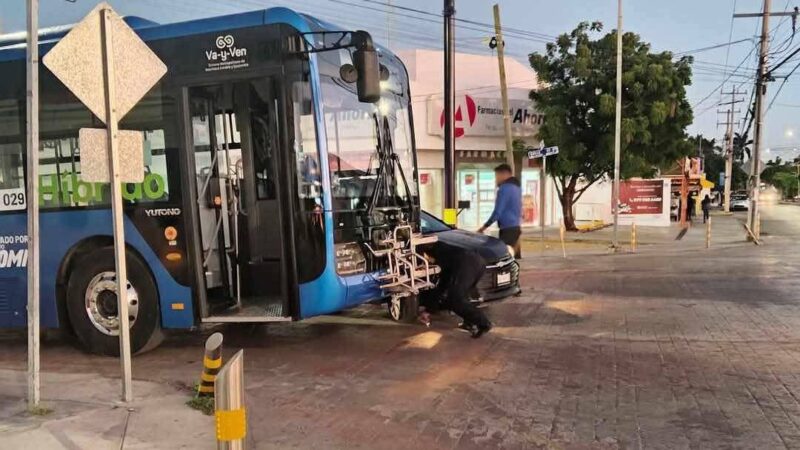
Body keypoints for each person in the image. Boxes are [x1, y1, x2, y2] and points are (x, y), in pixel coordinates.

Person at [421, 243, 493, 338]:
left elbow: (442, 284)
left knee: (455, 299)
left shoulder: (439, 255)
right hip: (478, 262)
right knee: (463, 296)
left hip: (466, 264)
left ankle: (483, 323)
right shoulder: (443, 248)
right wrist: (429, 310)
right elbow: (442, 285)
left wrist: (428, 310)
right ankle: (469, 323)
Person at [478, 164, 523, 258]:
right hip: (516, 228)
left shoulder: (504, 189)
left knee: (502, 258)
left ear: (504, 174)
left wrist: (484, 227)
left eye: (497, 176)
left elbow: (498, 212)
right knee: (511, 258)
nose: (496, 179)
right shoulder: (517, 188)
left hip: (507, 230)